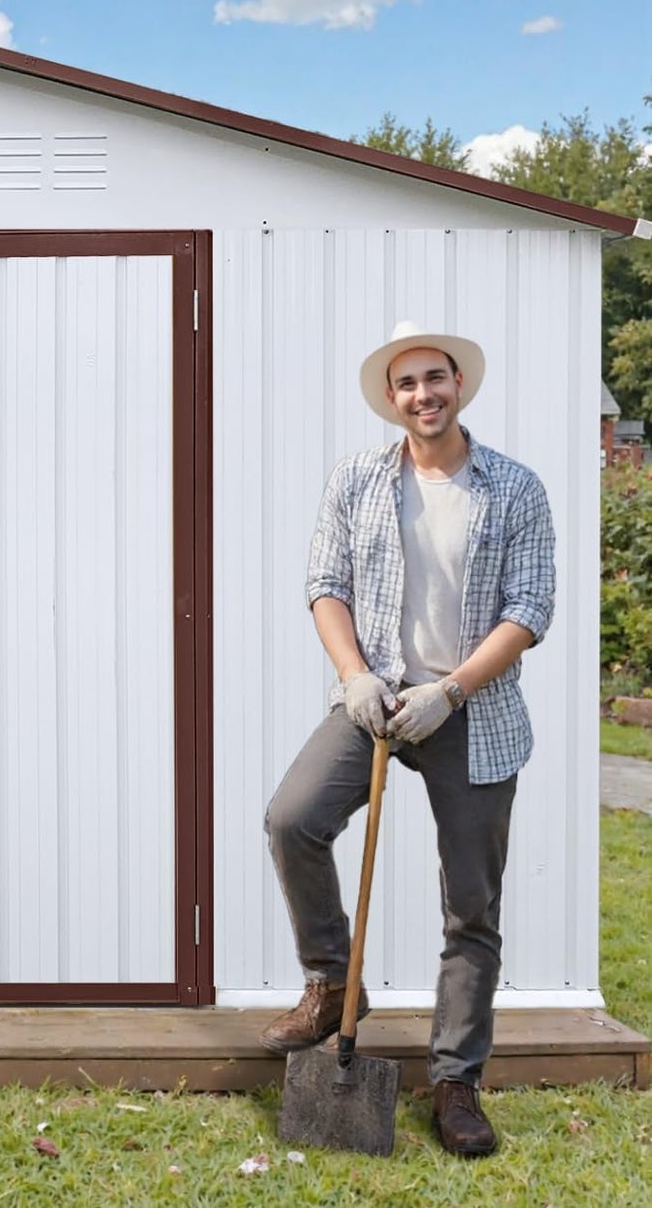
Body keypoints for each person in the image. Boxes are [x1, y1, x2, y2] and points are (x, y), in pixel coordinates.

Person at [261, 321, 555, 1158]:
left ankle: (455, 1080)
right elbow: (325, 585)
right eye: (405, 383)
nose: (421, 393)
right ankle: (329, 983)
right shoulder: (357, 479)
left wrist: (451, 688)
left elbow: (529, 609)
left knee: (470, 906)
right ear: (390, 399)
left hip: (471, 711)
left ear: (457, 383)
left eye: (434, 377)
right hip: (377, 700)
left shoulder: (513, 487)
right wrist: (356, 675)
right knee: (292, 818)